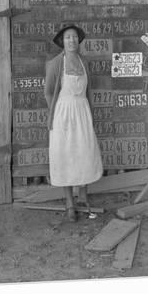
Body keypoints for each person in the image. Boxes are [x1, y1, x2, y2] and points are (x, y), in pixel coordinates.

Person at [44, 24, 103, 221]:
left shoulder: (84, 63)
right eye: (68, 37)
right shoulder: (55, 64)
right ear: (62, 41)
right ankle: (69, 202)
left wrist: (90, 114)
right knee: (65, 156)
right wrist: (56, 111)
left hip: (82, 111)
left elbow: (88, 91)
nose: (72, 41)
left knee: (85, 152)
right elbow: (48, 91)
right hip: (63, 114)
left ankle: (83, 196)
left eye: (75, 37)